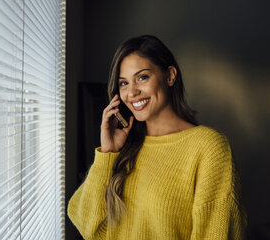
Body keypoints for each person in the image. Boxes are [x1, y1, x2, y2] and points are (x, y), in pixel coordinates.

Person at [67, 34, 249, 239]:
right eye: (123, 83)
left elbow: (215, 232)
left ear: (170, 76)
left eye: (142, 77)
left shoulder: (208, 147)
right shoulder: (124, 147)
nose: (132, 92)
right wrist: (107, 153)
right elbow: (85, 223)